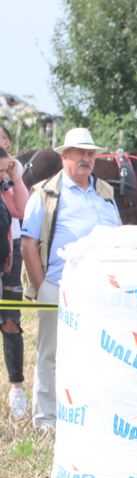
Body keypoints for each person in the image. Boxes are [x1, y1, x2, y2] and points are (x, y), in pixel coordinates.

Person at [20, 128, 122, 431]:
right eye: (79, 153)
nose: (86, 159)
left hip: (99, 289)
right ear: (64, 157)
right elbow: (28, 244)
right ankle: (46, 420)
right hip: (58, 286)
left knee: (94, 352)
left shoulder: (105, 191)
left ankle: (86, 415)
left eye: (90, 154)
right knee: (51, 354)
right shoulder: (45, 193)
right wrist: (43, 287)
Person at [0, 139, 29, 420]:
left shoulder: (7, 183)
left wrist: (15, 178)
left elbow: (23, 210)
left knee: (10, 321)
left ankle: (17, 389)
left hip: (7, 261)